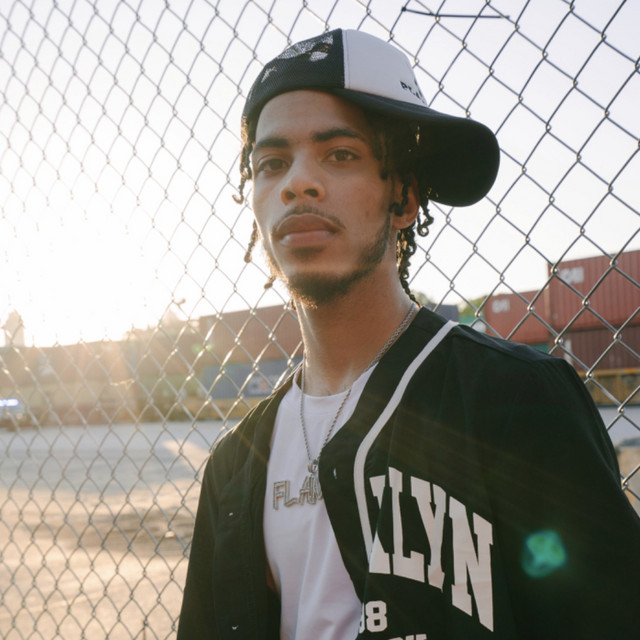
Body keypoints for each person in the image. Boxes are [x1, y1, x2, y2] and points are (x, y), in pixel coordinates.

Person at [177, 29, 640, 639]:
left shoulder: (518, 400)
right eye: (271, 163)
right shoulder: (235, 465)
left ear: (404, 198)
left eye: (340, 154)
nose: (297, 182)